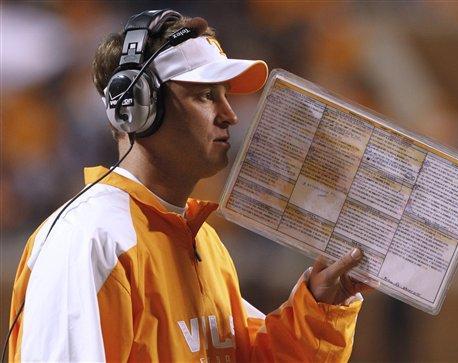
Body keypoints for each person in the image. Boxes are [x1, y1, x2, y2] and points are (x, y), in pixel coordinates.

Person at [8, 9, 370, 362]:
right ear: (139, 108)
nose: (230, 114)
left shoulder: (202, 242)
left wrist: (321, 307)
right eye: (206, 95)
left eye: (225, 94)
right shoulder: (88, 240)